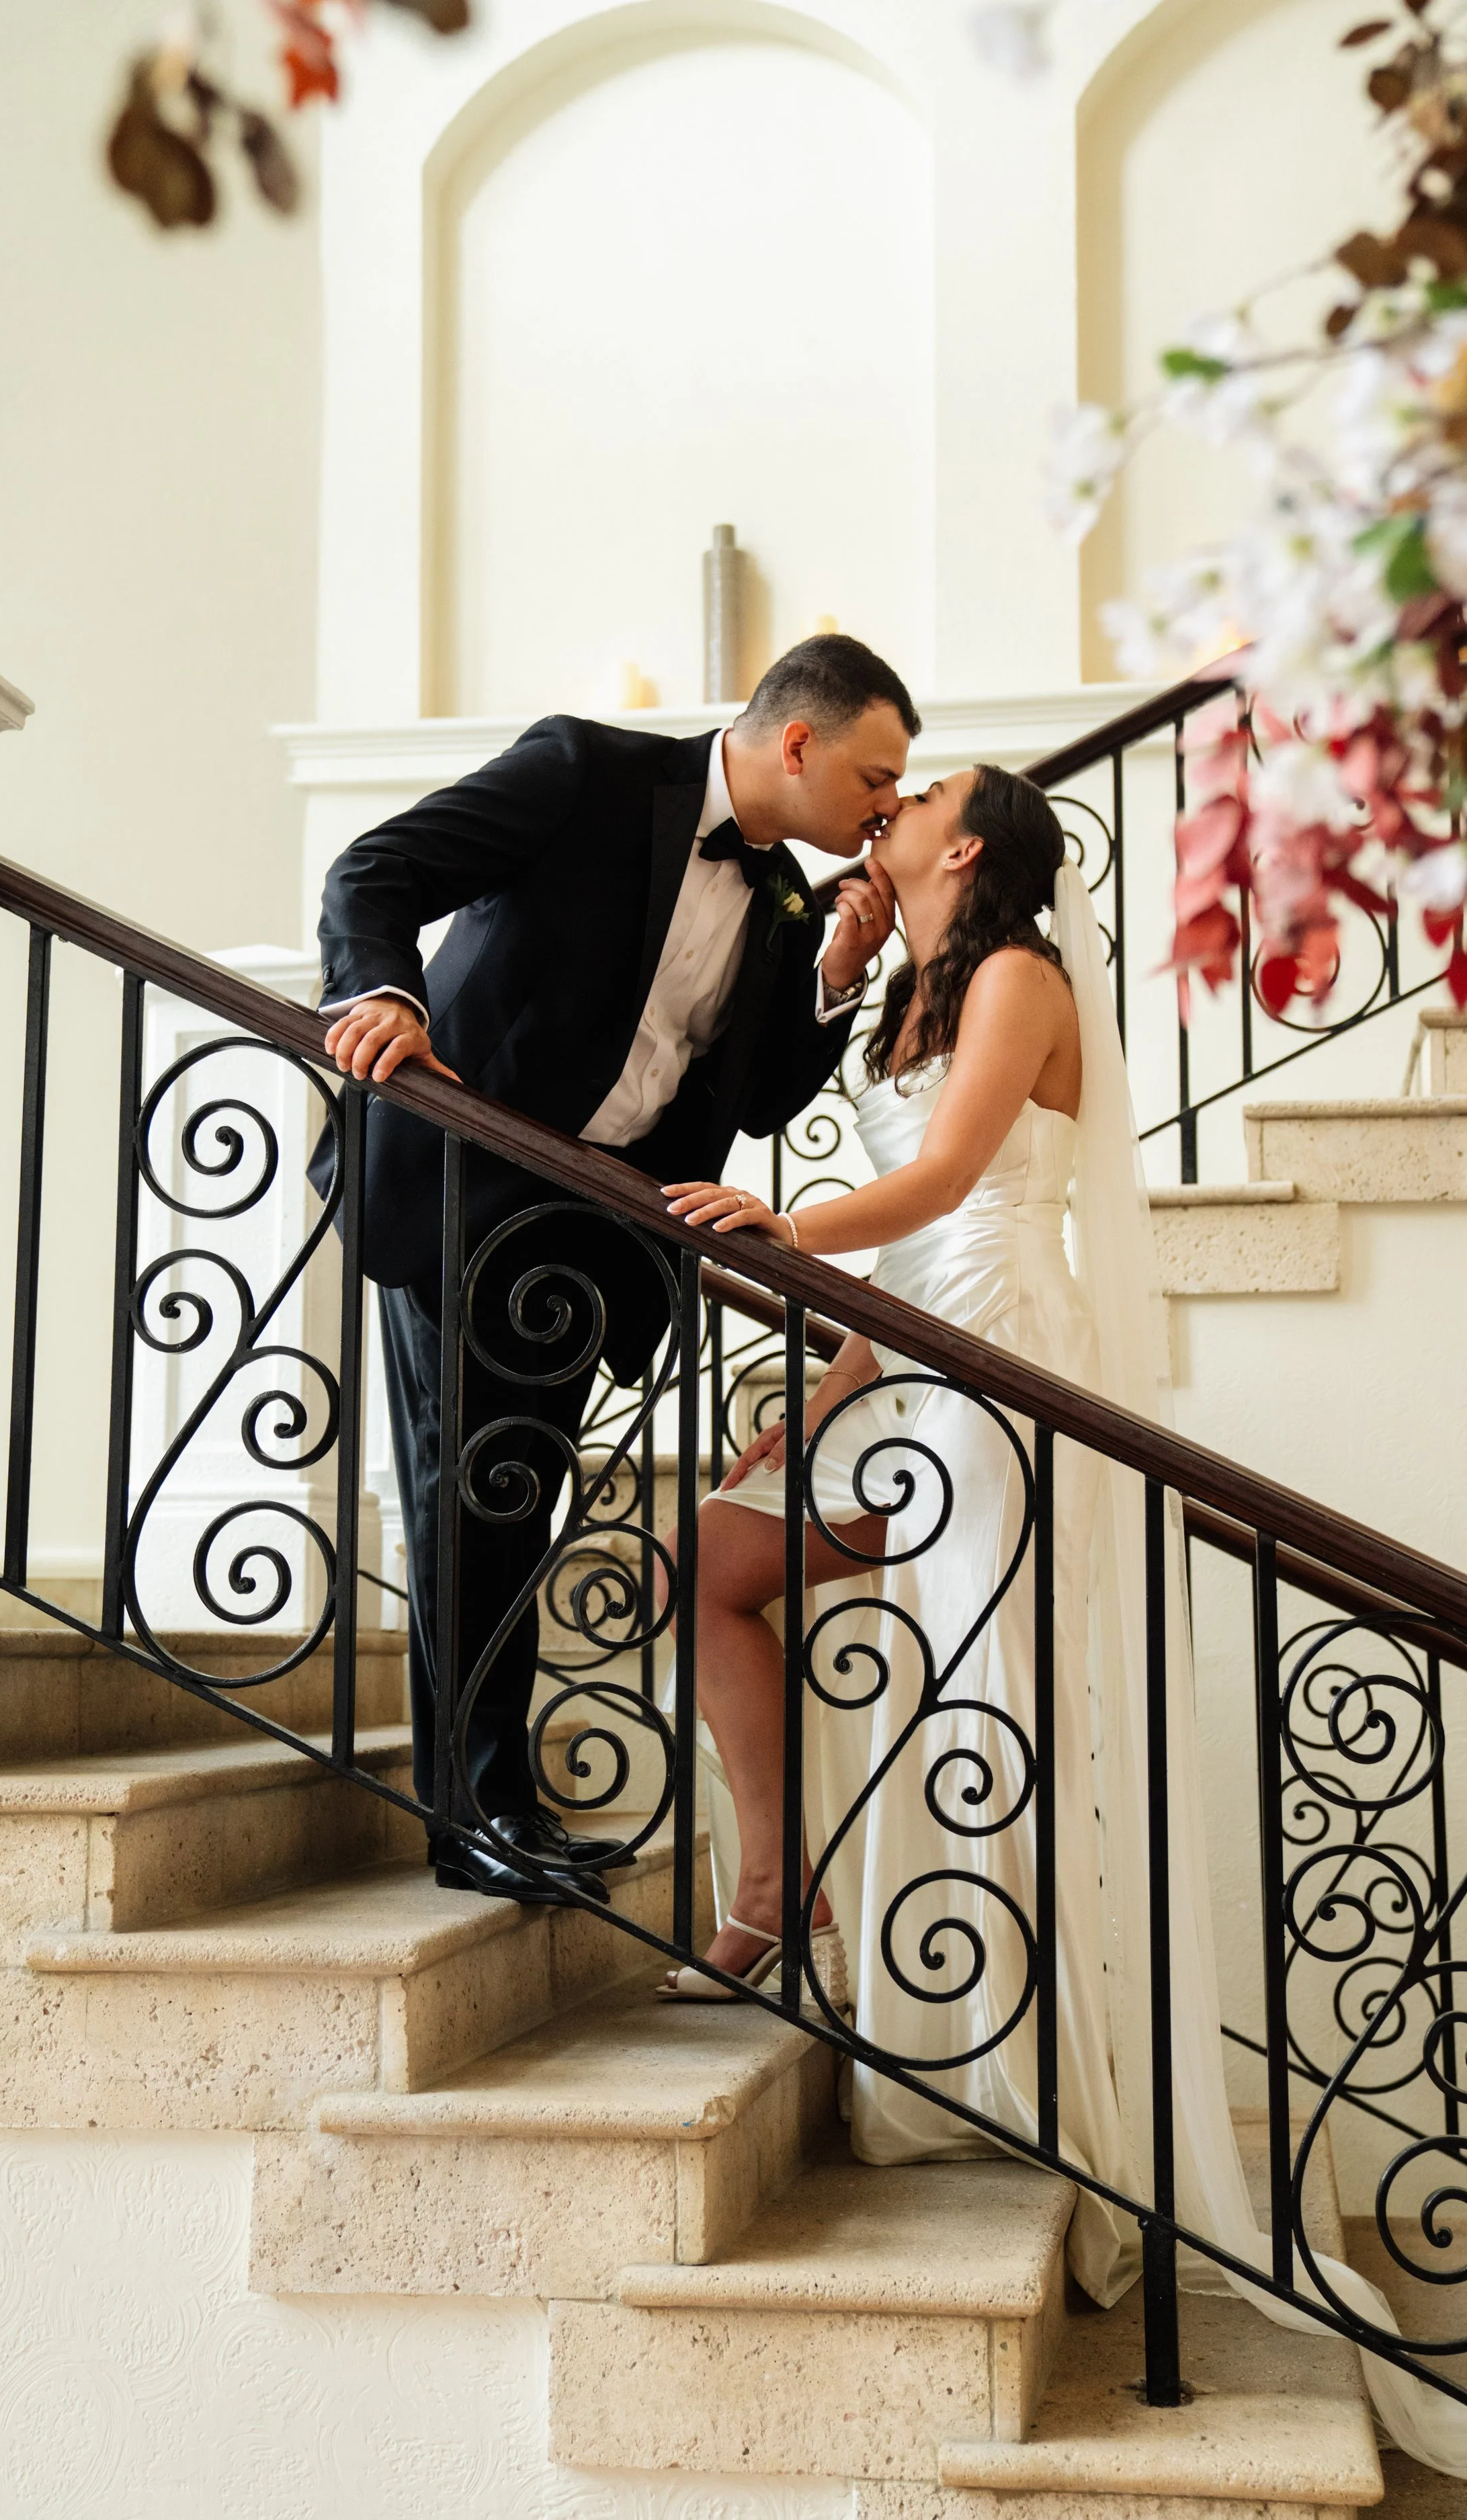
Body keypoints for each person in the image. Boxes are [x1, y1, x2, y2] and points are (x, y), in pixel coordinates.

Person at [659, 765, 1467, 2503]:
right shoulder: (907, 976)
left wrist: (781, 1226)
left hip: (999, 1358)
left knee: (988, 1690)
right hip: (908, 1351)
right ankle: (779, 1888)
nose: (885, 808)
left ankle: (1035, 2071)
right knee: (712, 1554)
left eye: (919, 797)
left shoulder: (1022, 975)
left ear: (965, 844)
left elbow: (960, 1172)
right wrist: (817, 1382)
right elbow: (905, 1227)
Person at [313, 634, 914, 1906]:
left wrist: (836, 979)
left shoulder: (792, 902)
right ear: (796, 743)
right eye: (873, 776)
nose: (885, 808)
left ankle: (497, 1803)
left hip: (593, 1225)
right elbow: (375, 872)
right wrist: (387, 1000)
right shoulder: (582, 770)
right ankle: (477, 1814)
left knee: (513, 1500)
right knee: (465, 1492)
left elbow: (750, 1097)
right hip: (465, 1173)